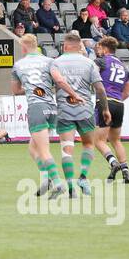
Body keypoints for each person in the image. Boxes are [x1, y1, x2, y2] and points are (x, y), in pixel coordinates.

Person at [49, 32, 115, 196]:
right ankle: (83, 177)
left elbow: (52, 84)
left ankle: (71, 187)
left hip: (65, 110)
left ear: (64, 46)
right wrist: (105, 109)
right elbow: (99, 88)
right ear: (79, 46)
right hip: (85, 110)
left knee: (66, 149)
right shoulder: (89, 63)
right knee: (88, 144)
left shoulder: (55, 63)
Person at [10, 34, 63, 197]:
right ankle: (46, 179)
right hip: (51, 108)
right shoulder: (49, 61)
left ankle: (58, 183)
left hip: (36, 108)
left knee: (43, 151)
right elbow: (58, 82)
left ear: (24, 47)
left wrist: (30, 88)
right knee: (33, 148)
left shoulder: (18, 65)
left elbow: (15, 91)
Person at [95, 36, 129, 183]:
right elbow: (128, 89)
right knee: (116, 140)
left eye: (99, 48)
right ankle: (126, 171)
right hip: (119, 103)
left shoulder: (101, 61)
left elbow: (93, 77)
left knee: (98, 140)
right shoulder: (122, 65)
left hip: (106, 102)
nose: (98, 51)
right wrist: (118, 99)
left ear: (105, 48)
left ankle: (113, 162)